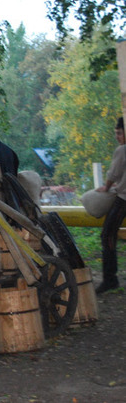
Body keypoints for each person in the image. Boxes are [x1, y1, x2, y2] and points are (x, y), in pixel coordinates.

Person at [96, 117, 126, 293]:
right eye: (116, 133)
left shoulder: (122, 149)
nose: (117, 137)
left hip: (124, 199)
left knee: (107, 235)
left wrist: (107, 188)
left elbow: (113, 174)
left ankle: (110, 279)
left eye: (120, 133)